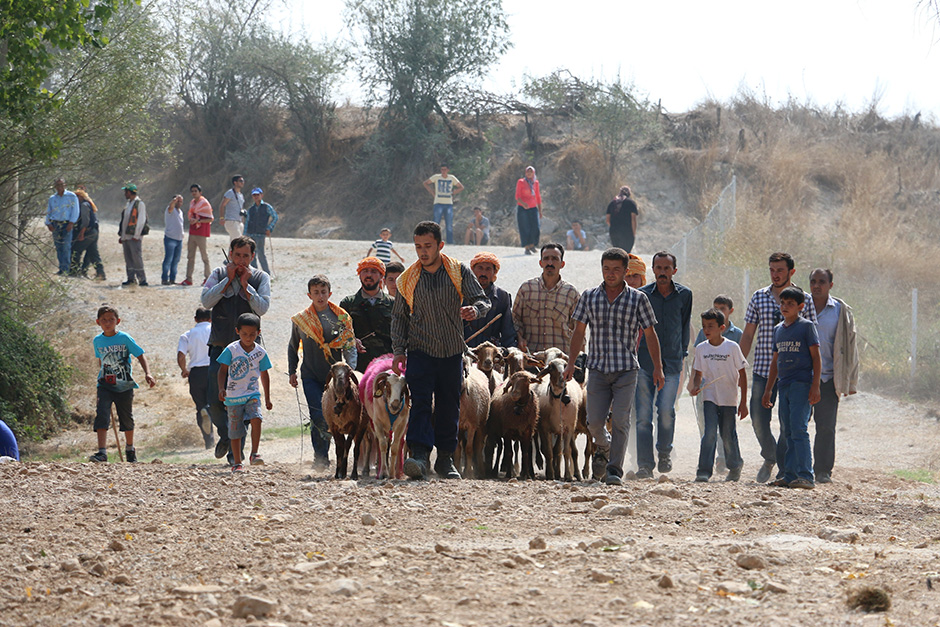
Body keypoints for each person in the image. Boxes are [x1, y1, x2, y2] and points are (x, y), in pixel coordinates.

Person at [391, 221, 490, 480]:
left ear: (440, 245)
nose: (423, 252)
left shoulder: (458, 271)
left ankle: (445, 459)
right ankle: (419, 456)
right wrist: (399, 350)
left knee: (449, 405)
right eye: (418, 246)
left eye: (428, 246)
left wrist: (475, 310)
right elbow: (399, 317)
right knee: (421, 402)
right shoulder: (407, 279)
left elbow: (483, 300)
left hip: (451, 350)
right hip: (420, 350)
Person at [563, 247, 663, 485]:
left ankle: (614, 470)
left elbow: (650, 334)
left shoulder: (638, 299)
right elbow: (579, 332)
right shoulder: (589, 296)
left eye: (616, 269)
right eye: (606, 268)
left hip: (626, 369)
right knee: (594, 422)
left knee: (620, 420)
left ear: (625, 271)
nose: (610, 273)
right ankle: (605, 446)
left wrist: (658, 367)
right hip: (597, 369)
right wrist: (570, 363)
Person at [739, 252, 817, 483]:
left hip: (795, 373)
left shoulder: (805, 300)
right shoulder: (759, 297)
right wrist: (737, 363)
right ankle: (770, 455)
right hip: (764, 369)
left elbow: (814, 339)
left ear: (791, 271)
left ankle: (786, 470)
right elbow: (748, 334)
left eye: (780, 270)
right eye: (772, 270)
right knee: (757, 418)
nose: (775, 274)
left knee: (789, 424)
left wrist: (814, 379)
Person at [202, 236, 271, 464]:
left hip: (248, 352)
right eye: (237, 255)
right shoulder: (218, 274)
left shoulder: (260, 277)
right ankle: (225, 435)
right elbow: (206, 301)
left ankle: (236, 455)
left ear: (252, 257)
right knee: (215, 400)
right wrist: (228, 281)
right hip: (221, 346)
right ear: (230, 253)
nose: (241, 260)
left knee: (241, 401)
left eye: (246, 256)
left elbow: (262, 307)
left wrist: (245, 285)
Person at [289, 275, 357, 468]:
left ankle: (341, 455)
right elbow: (293, 346)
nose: (320, 296)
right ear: (309, 295)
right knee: (318, 414)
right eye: (316, 292)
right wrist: (292, 370)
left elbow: (349, 344)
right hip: (310, 375)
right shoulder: (301, 320)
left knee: (338, 414)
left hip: (336, 378)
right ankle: (321, 457)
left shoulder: (341, 317)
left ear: (330, 293)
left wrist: (351, 369)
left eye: (323, 292)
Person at [634, 251, 693, 478]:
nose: (662, 272)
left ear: (674, 271)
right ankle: (644, 464)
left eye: (667, 268)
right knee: (643, 415)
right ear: (653, 270)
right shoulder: (642, 295)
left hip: (672, 363)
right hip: (644, 362)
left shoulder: (684, 295)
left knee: (666, 411)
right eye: (658, 268)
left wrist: (683, 355)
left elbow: (684, 325)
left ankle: (665, 453)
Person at [761, 287, 821, 489]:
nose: (785, 307)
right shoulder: (778, 329)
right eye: (783, 303)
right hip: (784, 384)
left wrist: (815, 385)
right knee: (787, 431)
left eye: (790, 304)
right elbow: (775, 361)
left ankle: (806, 475)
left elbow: (816, 357)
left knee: (799, 429)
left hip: (801, 384)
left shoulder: (806, 327)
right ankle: (789, 475)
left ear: (800, 307)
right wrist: (769, 389)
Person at [808, 268, 859, 483]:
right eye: (813, 281)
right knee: (795, 425)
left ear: (831, 285)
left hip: (829, 378)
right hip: (803, 377)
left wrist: (850, 381)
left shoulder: (840, 311)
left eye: (822, 281)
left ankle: (822, 470)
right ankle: (793, 467)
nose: (816, 286)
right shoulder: (800, 306)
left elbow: (850, 347)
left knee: (826, 427)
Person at [90, 304, 156, 462]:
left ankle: (130, 449)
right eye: (104, 320)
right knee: (102, 414)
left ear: (117, 321)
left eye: (111, 319)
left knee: (126, 417)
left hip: (124, 385)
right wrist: (103, 374)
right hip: (105, 385)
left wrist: (148, 373)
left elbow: (140, 355)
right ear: (98, 322)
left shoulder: (124, 338)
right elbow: (101, 360)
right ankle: (102, 452)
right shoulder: (97, 340)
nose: (107, 323)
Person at [689, 307, 748, 482]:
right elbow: (698, 373)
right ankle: (703, 471)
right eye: (704, 326)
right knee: (709, 433)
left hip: (729, 399)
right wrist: (696, 386)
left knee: (727, 434)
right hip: (709, 398)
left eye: (711, 326)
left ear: (722, 328)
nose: (706, 330)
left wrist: (743, 402)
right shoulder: (701, 349)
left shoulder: (732, 347)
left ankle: (735, 466)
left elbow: (742, 373)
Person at [218, 313, 273, 472]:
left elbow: (265, 375)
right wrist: (221, 388)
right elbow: (222, 371)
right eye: (244, 334)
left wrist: (267, 398)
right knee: (235, 430)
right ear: (237, 331)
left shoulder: (260, 352)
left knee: (257, 418)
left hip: (252, 394)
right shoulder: (231, 350)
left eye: (252, 334)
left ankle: (254, 454)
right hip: (233, 397)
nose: (248, 338)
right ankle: (237, 463)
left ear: (258, 332)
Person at [512, 243, 580, 354]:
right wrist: (519, 338)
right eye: (546, 259)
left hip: (560, 360)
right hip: (531, 357)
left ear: (562, 264)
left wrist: (579, 359)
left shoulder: (571, 293)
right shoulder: (526, 289)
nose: (550, 263)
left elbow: (579, 329)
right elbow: (515, 319)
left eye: (554, 259)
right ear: (540, 263)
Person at [340, 257, 394, 374]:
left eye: (374, 271)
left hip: (388, 367)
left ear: (381, 276)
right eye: (365, 271)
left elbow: (402, 334)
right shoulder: (348, 303)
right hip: (359, 368)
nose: (369, 275)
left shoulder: (392, 303)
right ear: (359, 275)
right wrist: (352, 340)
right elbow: (340, 331)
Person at [177, 307, 214, 448]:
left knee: (200, 407)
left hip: (196, 374)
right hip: (213, 370)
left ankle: (209, 441)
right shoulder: (214, 330)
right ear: (210, 319)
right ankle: (225, 437)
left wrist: (184, 370)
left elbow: (181, 356)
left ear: (195, 319)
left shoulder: (187, 335)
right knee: (217, 404)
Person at [465, 251, 516, 348]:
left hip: (491, 352)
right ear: (473, 271)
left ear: (494, 272)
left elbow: (508, 332)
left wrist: (511, 349)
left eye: (488, 269)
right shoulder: (461, 294)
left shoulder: (502, 297)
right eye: (480, 268)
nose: (483, 273)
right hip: (465, 350)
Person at [69, 186, 105, 280]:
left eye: (77, 196)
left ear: (81, 197)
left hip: (88, 232)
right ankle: (100, 273)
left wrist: (81, 233)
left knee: (76, 250)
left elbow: (85, 221)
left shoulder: (83, 205)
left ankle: (74, 271)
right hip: (94, 232)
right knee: (93, 253)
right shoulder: (87, 204)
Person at [46, 178, 79, 275]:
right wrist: (48, 223)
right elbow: (49, 211)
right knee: (58, 246)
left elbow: (75, 210)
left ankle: (66, 269)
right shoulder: (52, 198)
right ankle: (61, 268)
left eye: (61, 185)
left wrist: (71, 223)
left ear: (65, 185)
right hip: (55, 224)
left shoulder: (71, 196)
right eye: (57, 185)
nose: (59, 187)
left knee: (66, 247)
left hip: (66, 224)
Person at [424, 163, 464, 244]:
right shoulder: (436, 177)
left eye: (445, 169)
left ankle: (450, 241)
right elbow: (425, 183)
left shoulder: (452, 178)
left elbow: (461, 187)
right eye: (442, 169)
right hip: (438, 203)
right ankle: (433, 240)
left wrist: (454, 192)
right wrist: (432, 192)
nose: (443, 171)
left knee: (449, 224)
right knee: (436, 222)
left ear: (448, 170)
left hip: (448, 203)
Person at [181, 183, 213, 286]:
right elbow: (191, 215)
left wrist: (198, 221)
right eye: (192, 191)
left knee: (204, 256)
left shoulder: (204, 203)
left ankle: (207, 278)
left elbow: (210, 218)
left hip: (201, 232)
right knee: (190, 256)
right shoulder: (192, 203)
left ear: (200, 192)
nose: (194, 193)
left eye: (196, 191)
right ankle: (188, 279)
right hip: (192, 231)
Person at [118, 183, 148, 287]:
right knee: (128, 259)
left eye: (126, 192)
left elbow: (141, 220)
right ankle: (131, 279)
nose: (125, 194)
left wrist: (136, 235)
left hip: (134, 237)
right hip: (126, 237)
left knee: (137, 258)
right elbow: (124, 221)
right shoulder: (128, 204)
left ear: (130, 192)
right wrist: (122, 236)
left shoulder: (140, 204)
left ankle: (142, 280)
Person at [245, 188, 278, 275]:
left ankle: (267, 274)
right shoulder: (251, 209)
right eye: (254, 195)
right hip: (250, 234)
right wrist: (244, 235)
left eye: (257, 195)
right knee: (252, 255)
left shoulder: (267, 207)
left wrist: (269, 228)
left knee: (261, 254)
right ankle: (254, 274)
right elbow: (247, 222)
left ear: (261, 195)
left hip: (260, 234)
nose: (256, 197)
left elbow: (275, 217)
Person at [515, 166, 542, 255]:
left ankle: (532, 245)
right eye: (528, 172)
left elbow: (538, 196)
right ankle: (527, 247)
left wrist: (540, 210)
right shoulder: (521, 182)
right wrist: (523, 204)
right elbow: (517, 196)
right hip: (523, 208)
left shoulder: (535, 183)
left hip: (533, 208)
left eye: (531, 172)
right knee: (525, 227)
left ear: (533, 173)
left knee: (535, 227)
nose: (529, 173)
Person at [606, 185, 638, 253]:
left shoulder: (612, 203)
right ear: (629, 193)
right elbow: (633, 220)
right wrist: (633, 233)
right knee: (625, 253)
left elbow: (607, 220)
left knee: (617, 253)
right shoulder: (631, 203)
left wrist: (614, 227)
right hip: (627, 232)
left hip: (614, 232)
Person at [162, 195, 185, 285]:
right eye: (178, 201)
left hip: (179, 240)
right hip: (170, 238)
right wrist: (174, 201)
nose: (179, 203)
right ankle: (164, 279)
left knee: (176, 260)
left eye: (181, 201)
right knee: (168, 259)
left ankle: (172, 279)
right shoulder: (170, 210)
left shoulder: (180, 212)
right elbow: (171, 206)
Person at [219, 174, 245, 240]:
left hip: (239, 221)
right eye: (240, 181)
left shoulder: (241, 195)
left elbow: (241, 208)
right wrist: (221, 218)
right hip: (231, 221)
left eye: (243, 181)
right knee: (238, 240)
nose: (242, 182)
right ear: (235, 182)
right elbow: (222, 205)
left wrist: (242, 220)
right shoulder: (230, 193)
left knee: (234, 242)